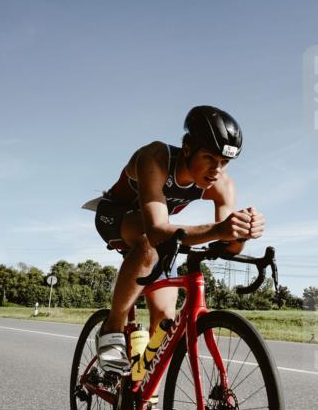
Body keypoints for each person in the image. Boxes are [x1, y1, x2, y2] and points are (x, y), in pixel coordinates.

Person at [92, 105, 265, 373]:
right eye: (209, 157)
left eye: (224, 162)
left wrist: (242, 232)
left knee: (165, 322)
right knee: (148, 243)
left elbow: (225, 246)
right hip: (117, 217)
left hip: (159, 237)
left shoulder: (222, 185)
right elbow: (157, 230)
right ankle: (111, 329)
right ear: (187, 147)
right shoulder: (156, 157)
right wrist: (220, 229)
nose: (216, 170)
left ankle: (140, 393)